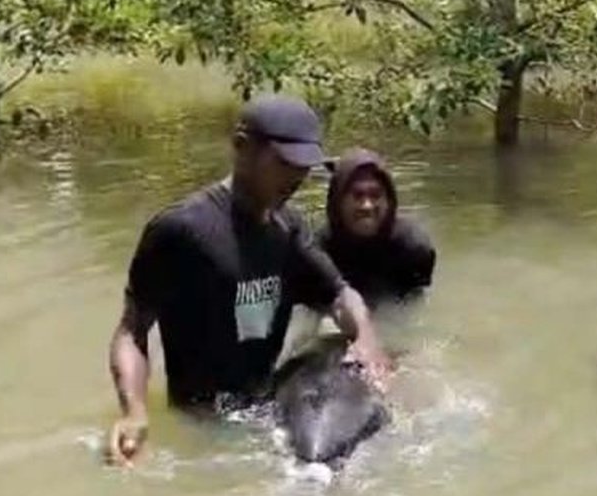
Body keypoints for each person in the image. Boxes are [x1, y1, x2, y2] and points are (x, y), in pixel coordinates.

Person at [105, 95, 391, 466]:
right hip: (201, 425)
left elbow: (339, 296)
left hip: (265, 414)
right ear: (242, 147)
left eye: (304, 166)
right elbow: (132, 330)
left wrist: (367, 341)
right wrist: (134, 412)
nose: (297, 177)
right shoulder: (181, 230)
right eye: (285, 163)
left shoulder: (289, 229)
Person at [318, 148, 436, 307]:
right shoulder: (317, 251)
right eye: (357, 195)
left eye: (375, 195)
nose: (367, 206)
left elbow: (417, 309)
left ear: (389, 202)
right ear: (337, 203)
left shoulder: (413, 248)